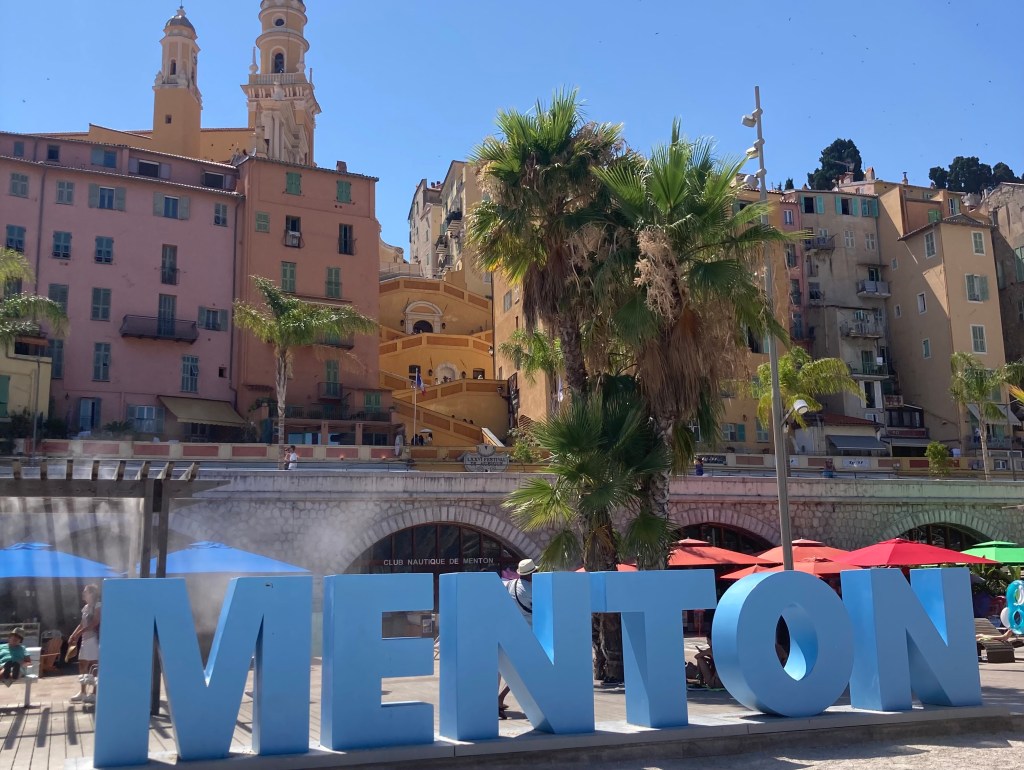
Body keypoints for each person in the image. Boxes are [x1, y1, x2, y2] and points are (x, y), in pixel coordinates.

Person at [498, 558, 536, 719]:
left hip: (512, 632)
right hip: (528, 633)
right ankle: (499, 698)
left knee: (505, 669)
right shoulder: (531, 590)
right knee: (524, 671)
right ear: (531, 574)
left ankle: (498, 700)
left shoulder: (510, 584)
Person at [68, 584, 101, 703]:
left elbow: (95, 622)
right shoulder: (86, 607)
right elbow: (82, 623)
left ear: (92, 593)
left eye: (85, 592)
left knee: (94, 666)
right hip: (85, 639)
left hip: (94, 639)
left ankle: (95, 693)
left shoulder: (97, 606)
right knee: (82, 665)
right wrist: (74, 634)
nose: (83, 593)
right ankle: (82, 692)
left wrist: (79, 633)